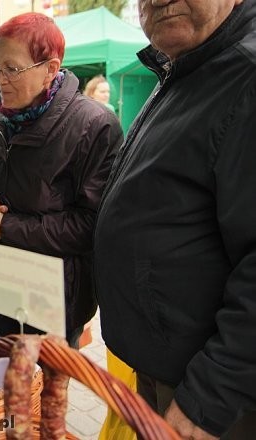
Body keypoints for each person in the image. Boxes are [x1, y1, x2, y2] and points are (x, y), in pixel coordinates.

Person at [94, 1, 255, 439]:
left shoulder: (245, 74)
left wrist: (208, 399)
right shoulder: (189, 68)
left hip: (209, 397)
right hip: (164, 370)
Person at [0, 13, 122, 346]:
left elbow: (90, 225)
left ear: (51, 69)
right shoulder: (7, 111)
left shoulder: (94, 125)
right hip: (1, 280)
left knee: (42, 392)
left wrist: (7, 227)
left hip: (53, 295)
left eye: (12, 69)